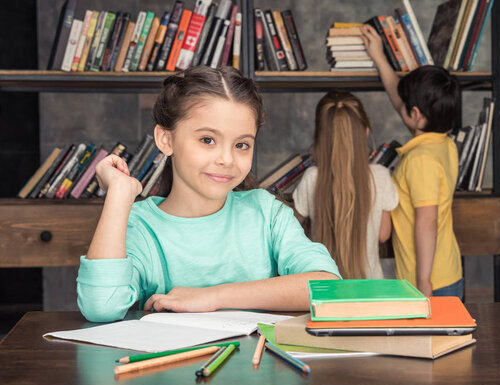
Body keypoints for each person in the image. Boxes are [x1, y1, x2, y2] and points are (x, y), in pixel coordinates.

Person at [77, 66, 340, 322]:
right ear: (166, 139)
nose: (227, 159)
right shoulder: (139, 225)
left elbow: (327, 288)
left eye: (241, 145)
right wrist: (119, 195)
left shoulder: (266, 212)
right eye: (207, 140)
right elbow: (102, 307)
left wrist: (213, 297)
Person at [361, 25, 463, 299]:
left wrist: (424, 281)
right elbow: (401, 102)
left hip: (431, 281)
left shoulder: (420, 160)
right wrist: (379, 56)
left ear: (416, 114)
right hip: (447, 270)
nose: (400, 105)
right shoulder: (443, 142)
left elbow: (427, 222)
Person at [293, 90, 398, 279]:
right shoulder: (381, 177)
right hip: (371, 290)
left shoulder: (311, 178)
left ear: (320, 137)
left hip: (325, 289)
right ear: (365, 132)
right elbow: (383, 235)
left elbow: (292, 231)